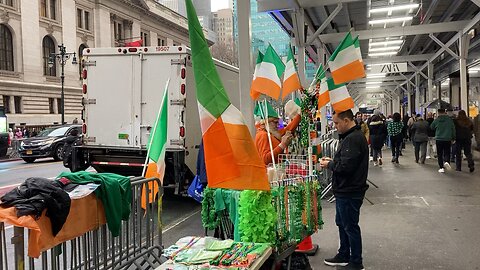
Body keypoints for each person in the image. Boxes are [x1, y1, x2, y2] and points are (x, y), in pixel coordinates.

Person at [320, 109, 369, 270]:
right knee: (342, 223)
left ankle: (356, 261)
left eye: (336, 123)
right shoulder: (351, 137)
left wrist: (330, 164)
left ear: (347, 121)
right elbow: (346, 162)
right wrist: (333, 161)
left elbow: (346, 167)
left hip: (350, 191)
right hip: (345, 190)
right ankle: (344, 254)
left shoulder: (353, 139)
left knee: (350, 226)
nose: (335, 126)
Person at [430, 108, 456, 173]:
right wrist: (453, 138)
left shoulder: (437, 120)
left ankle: (441, 167)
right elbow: (453, 129)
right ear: (445, 112)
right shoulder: (449, 120)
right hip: (447, 138)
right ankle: (447, 161)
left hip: (439, 139)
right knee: (447, 152)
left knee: (439, 153)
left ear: (438, 112)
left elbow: (431, 127)